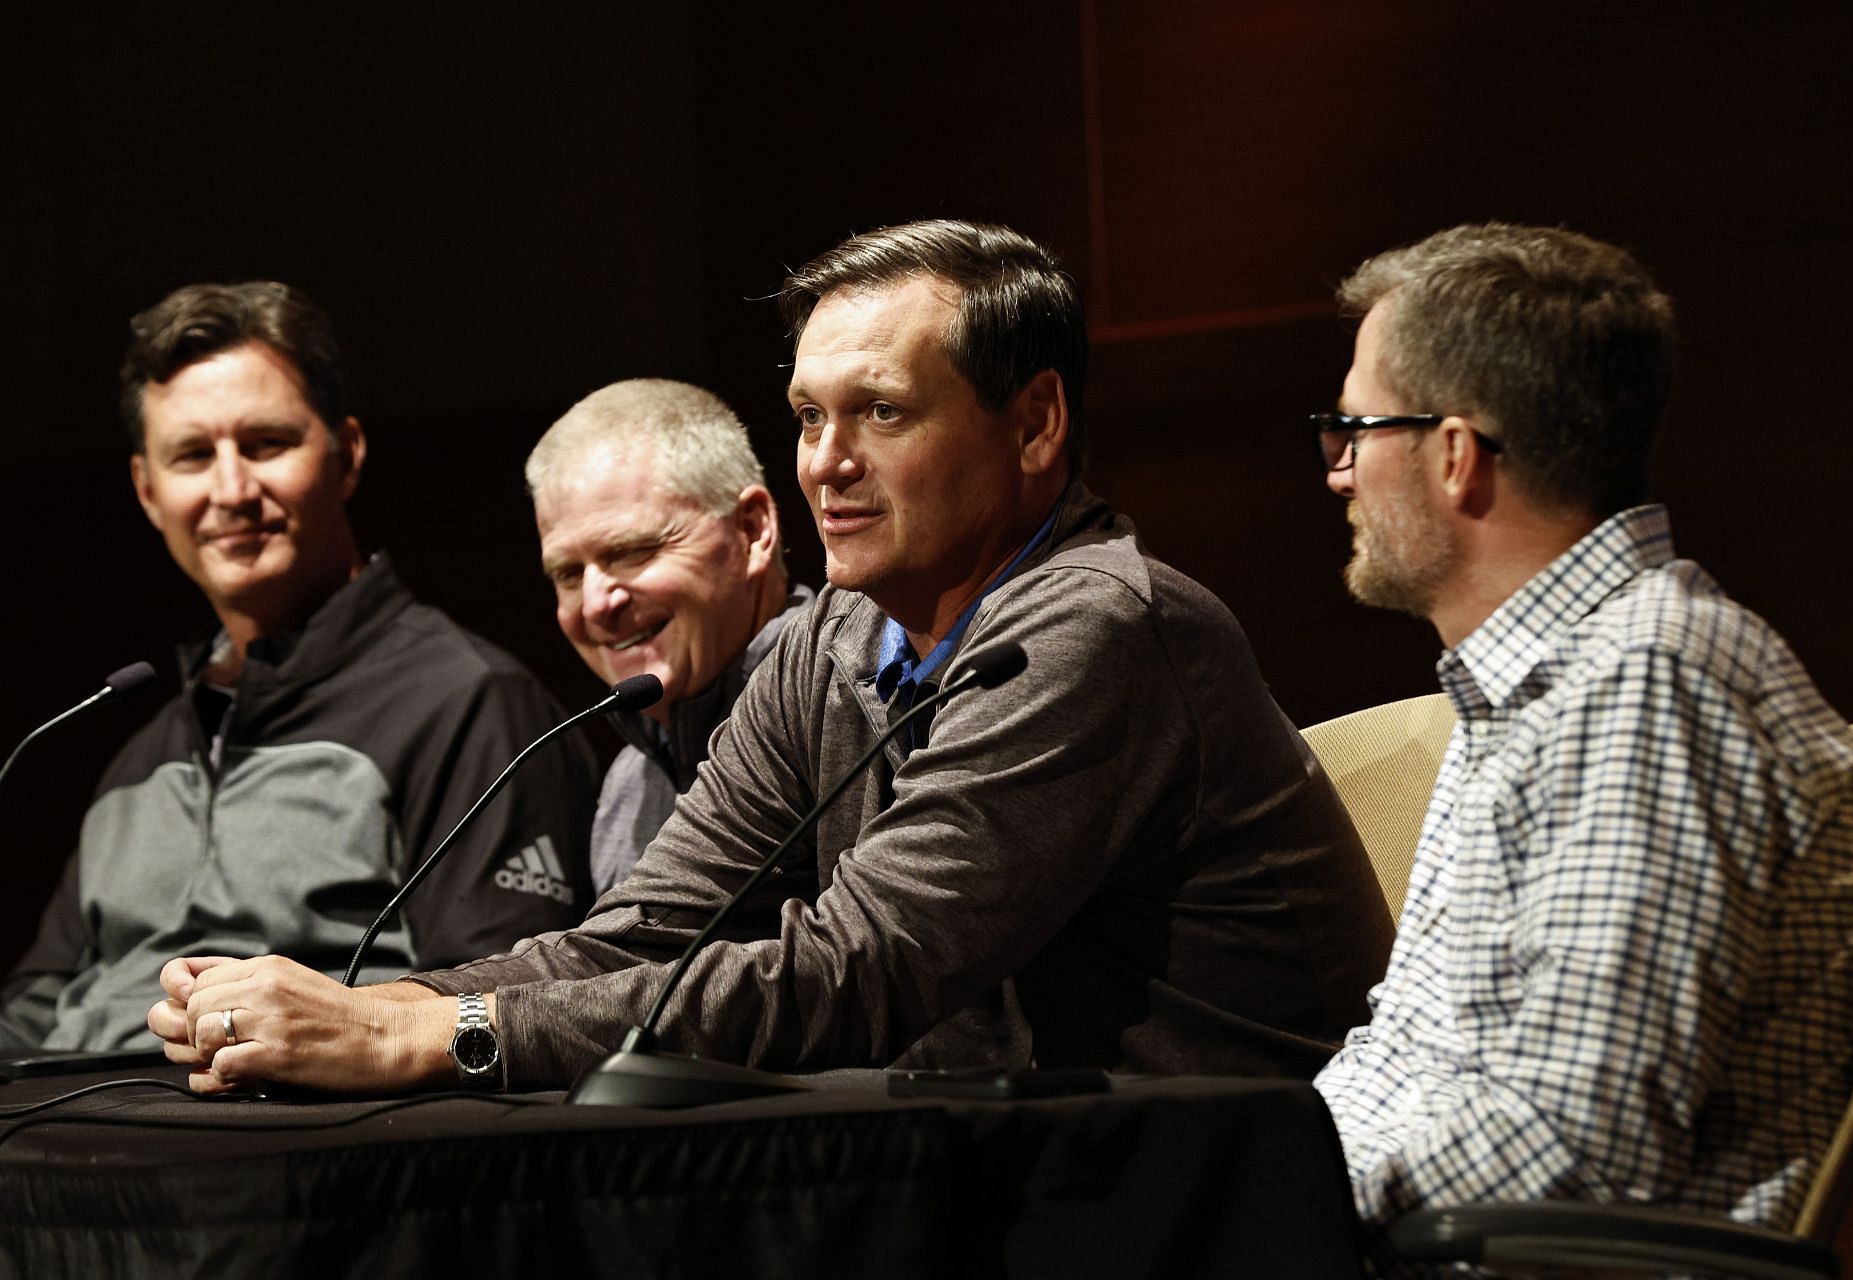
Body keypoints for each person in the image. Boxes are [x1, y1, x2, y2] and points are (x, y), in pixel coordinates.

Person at [148, 220, 1393, 1093]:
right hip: (1010, 1179)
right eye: (807, 417)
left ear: (1034, 423)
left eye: (882, 412)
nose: (825, 462)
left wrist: (427, 1038)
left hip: (1210, 1187)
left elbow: (859, 966)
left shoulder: (1100, 625)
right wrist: (371, 1005)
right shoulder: (832, 642)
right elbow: (641, 930)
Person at [1304, 224, 1853, 1259]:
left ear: (1453, 454)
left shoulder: (1650, 682)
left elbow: (1575, 1133)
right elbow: (1403, 1058)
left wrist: (1264, 1198)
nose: (1340, 471)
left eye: (1356, 429)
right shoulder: (1545, 683)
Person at [0, 282, 598, 1051]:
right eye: (192, 456)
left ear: (347, 456)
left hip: (285, 1149)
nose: (231, 489)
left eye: (266, 444)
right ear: (148, 492)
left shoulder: (470, 702)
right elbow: (34, 1008)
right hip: (72, 1150)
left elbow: (493, 1011)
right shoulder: (135, 753)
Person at [525, 379, 811, 895]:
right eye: (568, 574)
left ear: (752, 530)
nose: (595, 605)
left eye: (631, 551)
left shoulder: (849, 709)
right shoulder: (626, 789)